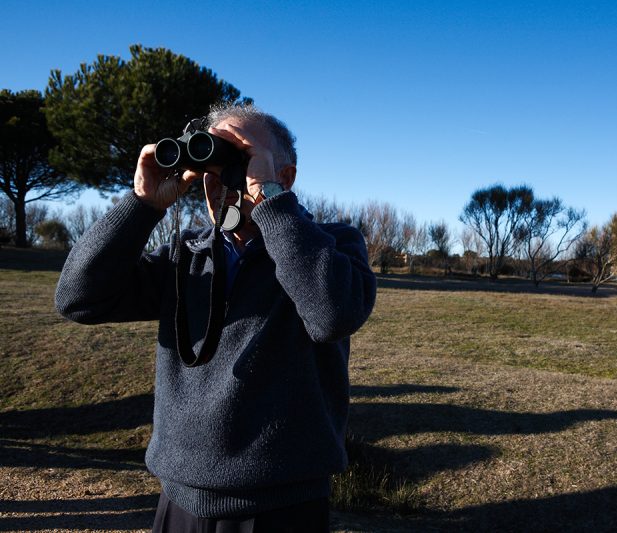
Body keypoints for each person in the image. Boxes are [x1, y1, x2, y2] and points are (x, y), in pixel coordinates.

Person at [55, 103, 377, 532]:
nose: (220, 181)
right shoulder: (184, 254)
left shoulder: (332, 244)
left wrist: (270, 202)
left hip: (282, 503)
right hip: (180, 498)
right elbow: (78, 299)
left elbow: (332, 313)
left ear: (286, 177)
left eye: (239, 160)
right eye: (212, 164)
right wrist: (142, 205)